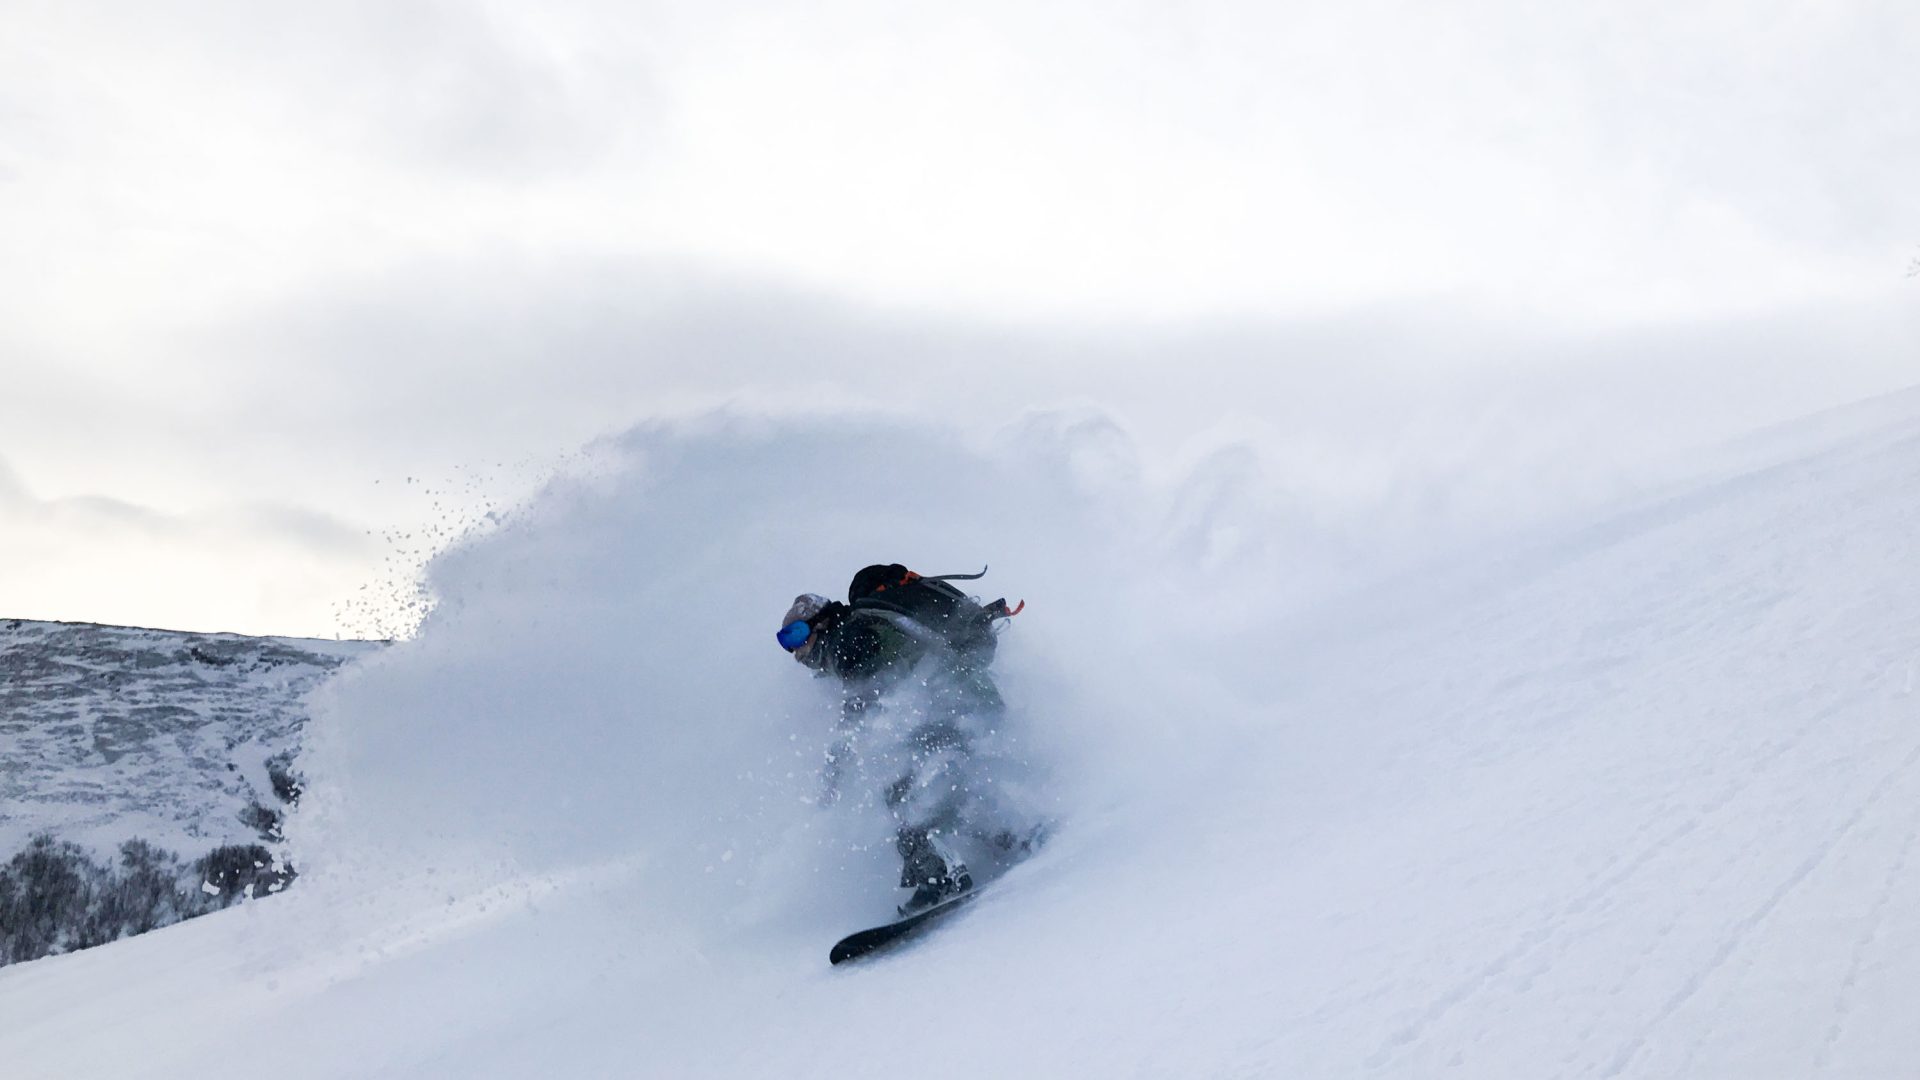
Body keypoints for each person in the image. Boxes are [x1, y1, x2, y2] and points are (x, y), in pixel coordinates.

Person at [777, 563, 1036, 913]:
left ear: (821, 623)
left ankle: (938, 878)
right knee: (946, 779)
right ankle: (1008, 837)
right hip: (968, 695)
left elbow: (864, 696)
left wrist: (837, 765)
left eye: (794, 636)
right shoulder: (859, 631)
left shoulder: (848, 641)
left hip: (949, 700)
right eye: (785, 643)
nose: (795, 652)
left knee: (905, 790)